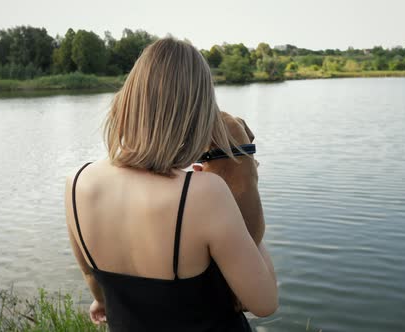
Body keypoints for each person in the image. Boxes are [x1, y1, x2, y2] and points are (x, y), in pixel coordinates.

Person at [64, 38, 278, 331]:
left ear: (130, 100)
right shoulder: (205, 193)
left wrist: (102, 301)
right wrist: (242, 187)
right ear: (197, 115)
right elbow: (264, 303)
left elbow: (93, 279)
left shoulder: (77, 182)